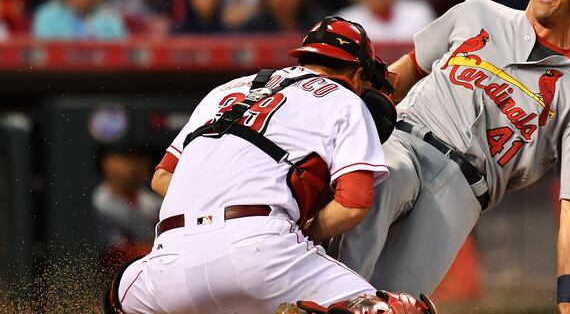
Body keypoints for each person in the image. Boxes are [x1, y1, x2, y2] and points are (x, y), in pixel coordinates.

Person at [332, 0, 570, 314]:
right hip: (408, 141)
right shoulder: (477, 12)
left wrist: (567, 298)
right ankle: (324, 296)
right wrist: (351, 115)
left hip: (463, 191)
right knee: (377, 189)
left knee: (395, 302)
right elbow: (411, 66)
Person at [103, 17, 436, 314]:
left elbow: (162, 178)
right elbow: (353, 205)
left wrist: (216, 205)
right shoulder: (345, 99)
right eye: (366, 80)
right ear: (359, 72)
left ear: (306, 57)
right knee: (401, 310)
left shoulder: (223, 91)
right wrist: (302, 231)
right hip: (262, 253)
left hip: (169, 264)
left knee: (121, 293)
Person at [93, 146, 162, 270]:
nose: (135, 164)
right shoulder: (98, 202)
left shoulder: (153, 202)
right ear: (108, 162)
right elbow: (114, 255)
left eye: (140, 159)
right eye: (127, 157)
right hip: (111, 280)